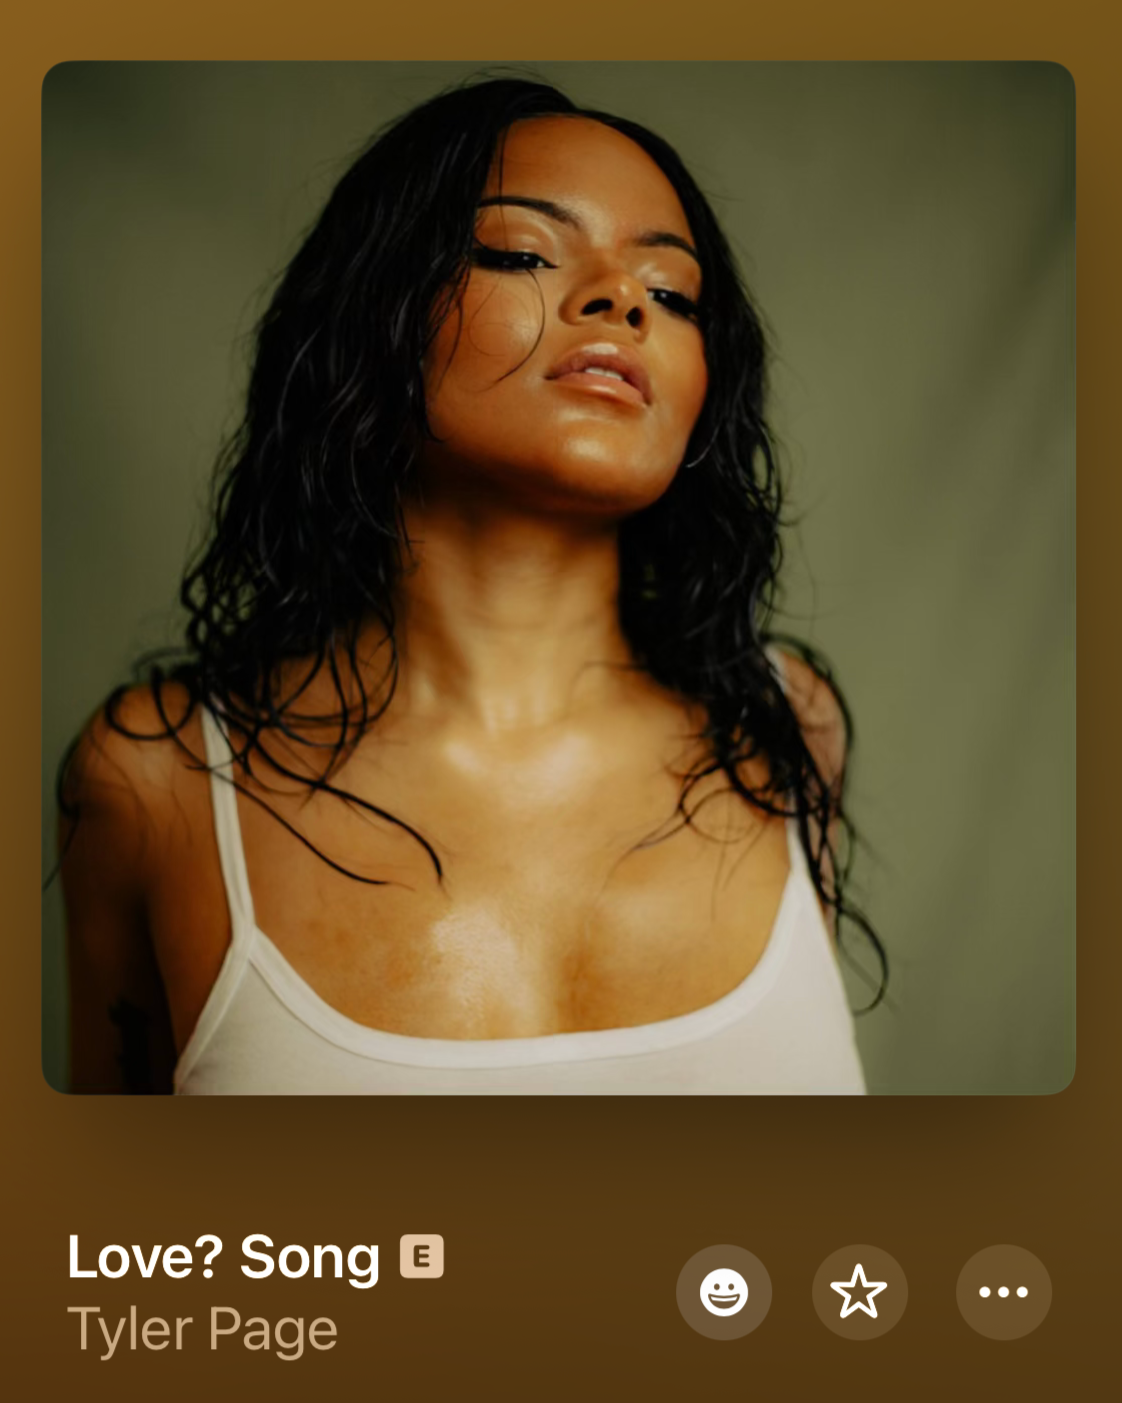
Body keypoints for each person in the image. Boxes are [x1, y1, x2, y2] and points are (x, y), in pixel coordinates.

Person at [59, 77, 882, 1095]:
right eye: (520, 253)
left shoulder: (789, 729)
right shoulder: (156, 780)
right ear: (374, 316)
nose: (623, 300)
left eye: (672, 294)